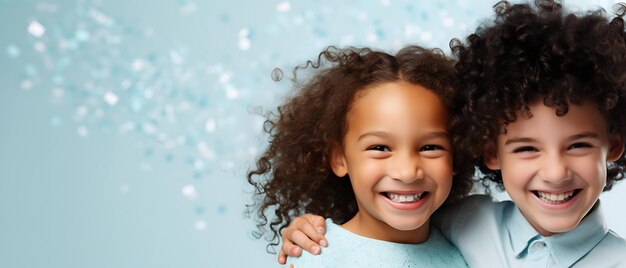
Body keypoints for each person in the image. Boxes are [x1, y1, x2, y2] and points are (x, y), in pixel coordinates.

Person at [277, 0, 626, 267]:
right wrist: (309, 228)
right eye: (526, 149)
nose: (555, 173)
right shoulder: (468, 221)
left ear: (614, 145)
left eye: (578, 145)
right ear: (489, 150)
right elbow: (385, 227)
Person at [246, 46, 473, 267]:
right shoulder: (318, 256)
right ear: (339, 159)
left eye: (430, 147)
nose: (407, 172)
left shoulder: (469, 251)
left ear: (457, 154)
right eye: (380, 148)